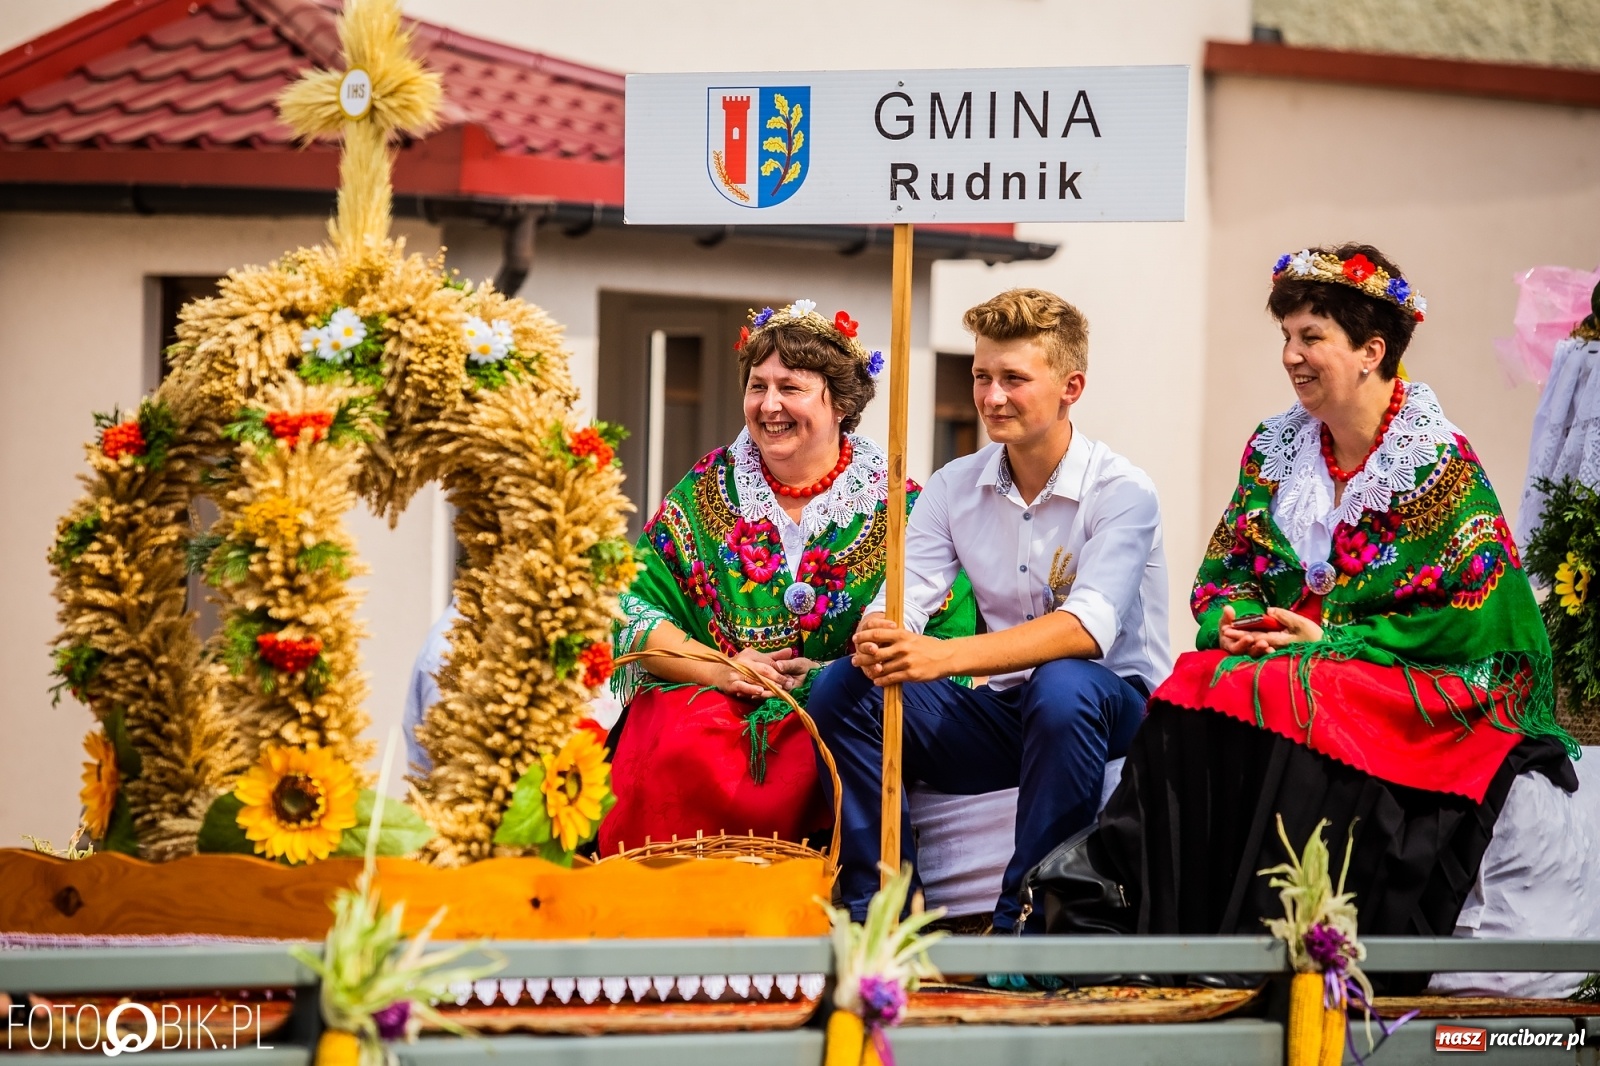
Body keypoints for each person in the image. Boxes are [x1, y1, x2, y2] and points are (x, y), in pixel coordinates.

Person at [1084, 244, 1578, 987]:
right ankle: (1163, 936)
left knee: (1296, 689)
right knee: (1196, 680)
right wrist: (1237, 622)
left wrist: (1332, 638)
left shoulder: (1437, 462)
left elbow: (1470, 611)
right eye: (1287, 336)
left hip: (1424, 670)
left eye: (1311, 337)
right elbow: (1227, 567)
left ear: (1371, 351)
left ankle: (1271, 951)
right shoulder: (1274, 447)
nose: (1291, 355)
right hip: (1298, 652)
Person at [808, 288, 1170, 933]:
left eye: (1013, 379)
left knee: (1063, 685)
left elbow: (1087, 629)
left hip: (1112, 709)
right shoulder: (953, 484)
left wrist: (942, 657)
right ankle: (883, 912)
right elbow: (904, 600)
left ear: (1071, 387)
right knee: (844, 687)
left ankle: (1031, 923)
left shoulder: (1123, 491)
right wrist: (882, 634)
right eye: (981, 376)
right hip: (1009, 715)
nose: (992, 397)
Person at [599, 300, 975, 856]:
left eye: (790, 388)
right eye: (758, 386)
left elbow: (946, 642)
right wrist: (722, 669)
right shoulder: (705, 488)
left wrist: (832, 678)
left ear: (841, 403)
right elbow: (632, 610)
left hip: (843, 720)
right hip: (712, 716)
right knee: (669, 728)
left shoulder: (903, 507)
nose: (768, 405)